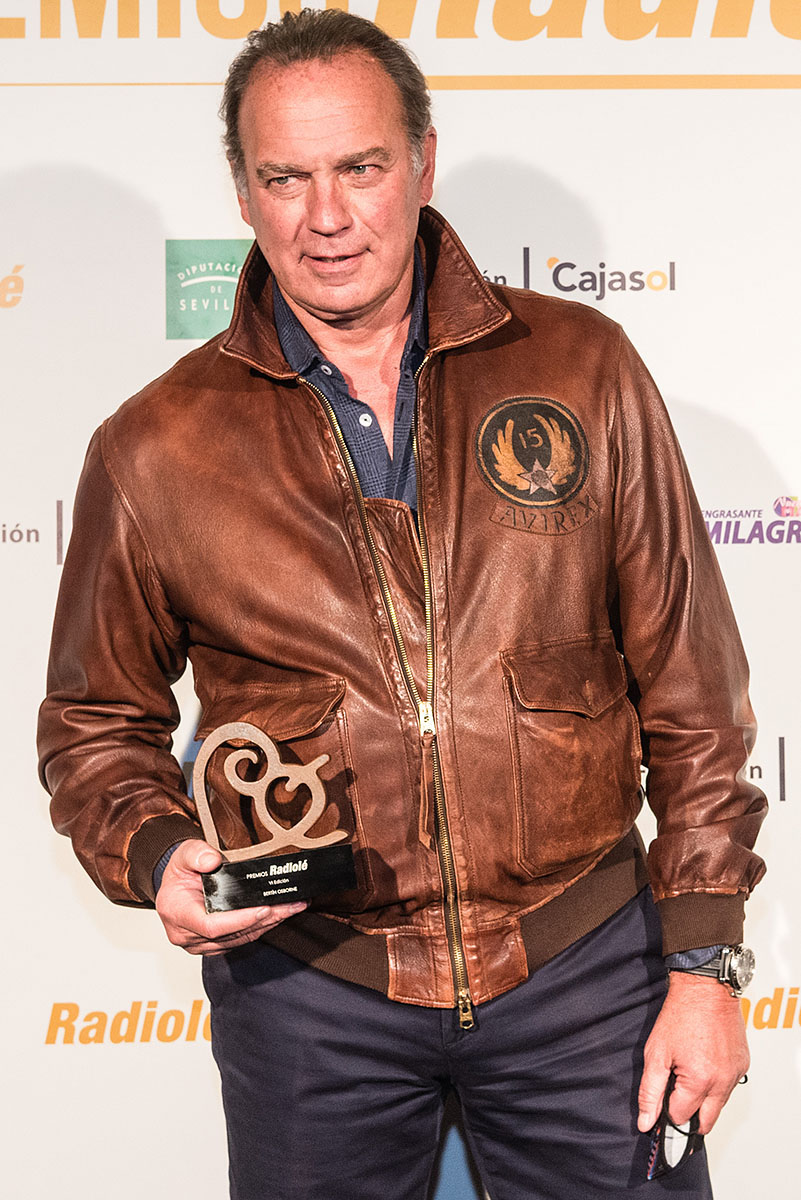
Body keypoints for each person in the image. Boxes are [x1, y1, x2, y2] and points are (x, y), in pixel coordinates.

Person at [38, 10, 766, 1199]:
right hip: (311, 993)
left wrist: (704, 967)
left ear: (423, 163)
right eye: (286, 178)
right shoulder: (156, 446)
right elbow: (92, 723)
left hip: (587, 972)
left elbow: (694, 694)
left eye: (360, 168)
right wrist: (156, 848)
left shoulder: (582, 366)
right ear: (243, 193)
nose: (326, 217)